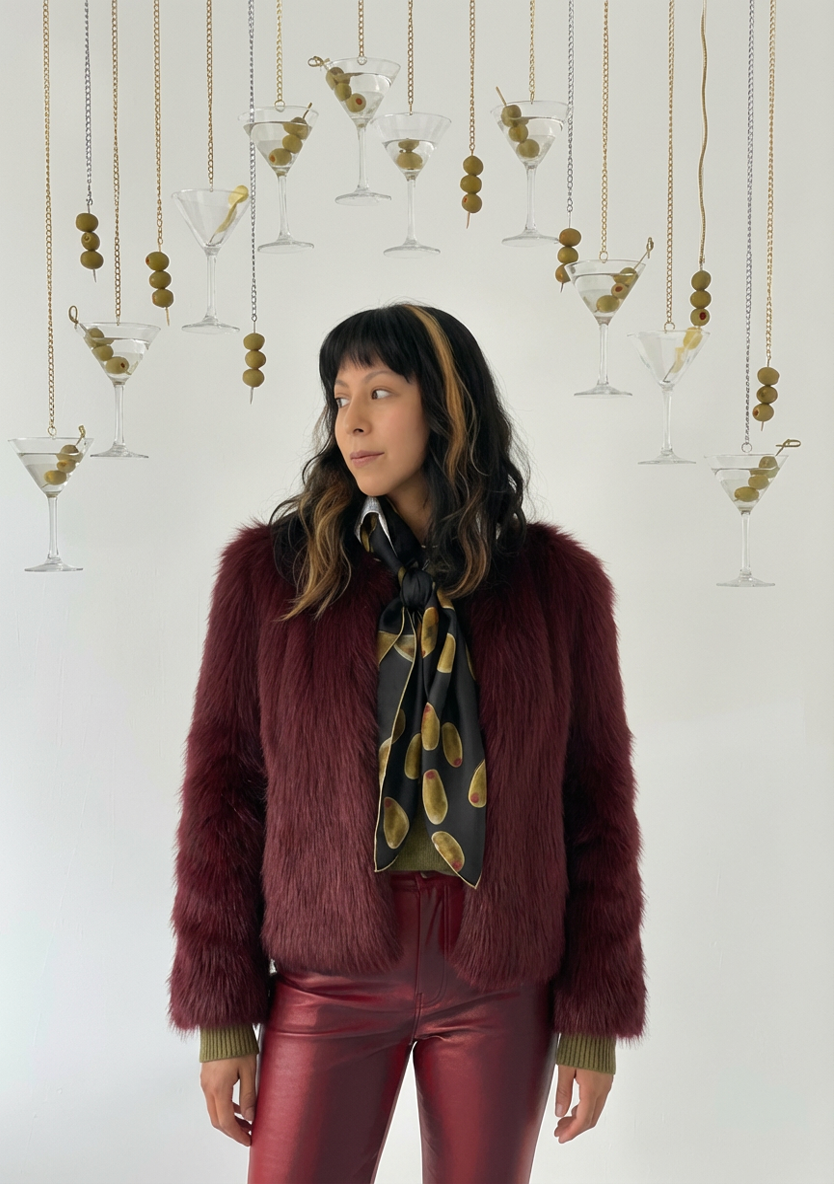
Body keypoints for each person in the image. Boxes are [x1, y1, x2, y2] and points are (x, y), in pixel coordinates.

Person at [168, 303, 647, 1184]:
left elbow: (596, 805)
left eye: (380, 392)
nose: (350, 421)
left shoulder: (558, 587)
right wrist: (223, 1011)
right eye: (339, 396)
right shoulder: (271, 576)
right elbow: (225, 792)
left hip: (499, 974)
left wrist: (592, 1017)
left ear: (447, 406)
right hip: (327, 967)